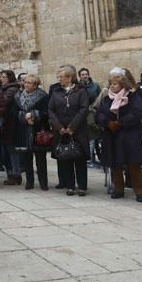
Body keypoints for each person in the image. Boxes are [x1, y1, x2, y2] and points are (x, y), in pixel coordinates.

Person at [95, 68, 142, 202]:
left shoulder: (132, 97)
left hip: (130, 134)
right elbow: (99, 114)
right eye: (111, 83)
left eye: (115, 83)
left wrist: (120, 123)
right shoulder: (107, 99)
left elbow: (137, 113)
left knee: (133, 163)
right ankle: (118, 189)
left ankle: (140, 191)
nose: (112, 86)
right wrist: (108, 123)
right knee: (115, 163)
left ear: (123, 84)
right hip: (112, 135)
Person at [48, 65, 90, 196]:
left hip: (78, 131)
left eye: (61, 77)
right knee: (66, 158)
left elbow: (83, 109)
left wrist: (72, 127)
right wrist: (59, 127)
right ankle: (70, 185)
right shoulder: (56, 92)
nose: (59, 79)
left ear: (70, 77)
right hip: (61, 131)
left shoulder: (80, 91)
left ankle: (82, 186)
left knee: (80, 158)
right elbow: (50, 110)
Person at [15, 74, 50, 190]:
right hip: (23, 130)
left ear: (35, 85)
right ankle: (29, 182)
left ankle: (43, 183)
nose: (26, 85)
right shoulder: (18, 95)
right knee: (26, 159)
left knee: (41, 159)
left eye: (29, 83)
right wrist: (24, 116)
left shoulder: (43, 96)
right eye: (25, 82)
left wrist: (34, 115)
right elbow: (14, 112)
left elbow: (46, 112)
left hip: (38, 130)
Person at [0, 71, 23, 185]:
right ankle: (12, 173)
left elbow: (4, 102)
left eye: (4, 77)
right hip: (7, 123)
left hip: (10, 123)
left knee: (11, 150)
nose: (1, 78)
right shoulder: (4, 88)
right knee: (7, 150)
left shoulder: (11, 89)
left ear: (10, 78)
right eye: (1, 77)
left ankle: (15, 174)